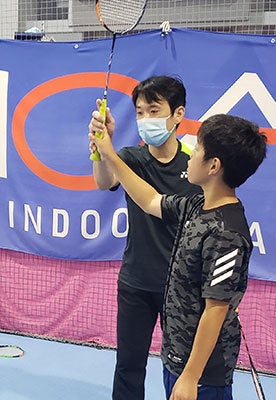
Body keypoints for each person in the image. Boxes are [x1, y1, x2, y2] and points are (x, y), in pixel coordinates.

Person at [90, 113, 267, 400]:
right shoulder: (197, 205)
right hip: (176, 358)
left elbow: (216, 309)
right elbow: (150, 200)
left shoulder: (227, 233)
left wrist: (191, 377)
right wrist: (108, 154)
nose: (190, 154)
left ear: (214, 166)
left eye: (197, 149)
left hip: (203, 375)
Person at [89, 75, 201, 400]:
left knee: (179, 368)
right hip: (136, 282)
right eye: (139, 112)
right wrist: (101, 148)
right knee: (128, 365)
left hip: (180, 288)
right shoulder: (131, 158)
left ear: (178, 114)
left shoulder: (195, 163)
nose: (145, 119)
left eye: (154, 111)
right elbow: (103, 182)